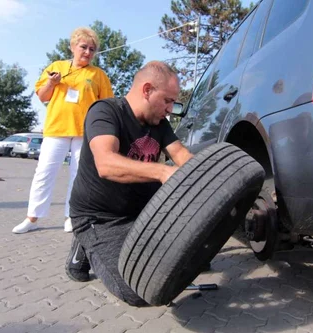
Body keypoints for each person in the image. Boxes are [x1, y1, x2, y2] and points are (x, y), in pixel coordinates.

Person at [65, 61, 193, 306]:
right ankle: (83, 243)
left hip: (140, 210)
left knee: (189, 259)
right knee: (139, 292)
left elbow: (183, 157)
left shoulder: (160, 123)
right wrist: (162, 172)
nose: (170, 109)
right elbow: (106, 163)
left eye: (173, 103)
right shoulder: (105, 111)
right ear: (147, 90)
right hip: (100, 216)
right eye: (167, 101)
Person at [12, 27, 114, 234]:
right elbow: (42, 96)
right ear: (73, 47)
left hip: (84, 132)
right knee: (44, 172)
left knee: (78, 177)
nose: (87, 52)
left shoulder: (98, 75)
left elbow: (106, 104)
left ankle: (71, 216)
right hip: (56, 129)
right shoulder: (56, 67)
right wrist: (51, 82)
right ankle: (32, 218)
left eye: (92, 49)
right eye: (83, 47)